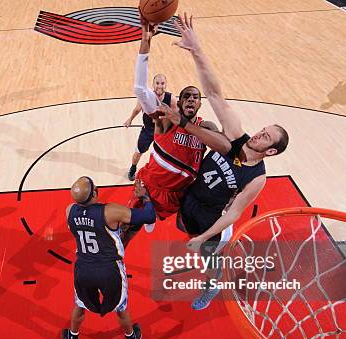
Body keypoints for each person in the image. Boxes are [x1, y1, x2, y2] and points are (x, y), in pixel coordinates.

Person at [162, 13, 289, 310]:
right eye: (263, 130)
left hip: (213, 220)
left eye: (266, 137)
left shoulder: (257, 177)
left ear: (271, 151)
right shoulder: (235, 136)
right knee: (183, 226)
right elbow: (215, 94)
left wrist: (206, 236)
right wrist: (197, 50)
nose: (259, 134)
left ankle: (212, 284)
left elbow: (234, 214)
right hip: (192, 200)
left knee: (210, 258)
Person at [122, 19, 231, 247]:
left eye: (195, 97)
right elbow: (140, 90)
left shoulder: (206, 127)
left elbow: (227, 147)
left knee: (191, 229)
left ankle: (211, 270)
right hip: (151, 186)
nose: (191, 99)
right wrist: (145, 43)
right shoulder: (164, 120)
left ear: (200, 104)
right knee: (130, 227)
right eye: (186, 96)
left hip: (181, 194)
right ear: (178, 102)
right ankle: (118, 256)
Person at [62, 176, 156, 339]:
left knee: (80, 304)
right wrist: (145, 197)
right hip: (109, 269)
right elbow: (149, 216)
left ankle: (72, 338)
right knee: (120, 308)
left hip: (84, 268)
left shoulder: (69, 211)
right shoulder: (110, 211)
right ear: (95, 194)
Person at [123, 73, 176, 181]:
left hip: (164, 131)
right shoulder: (146, 96)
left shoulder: (171, 98)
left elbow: (175, 115)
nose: (160, 86)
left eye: (162, 83)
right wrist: (130, 119)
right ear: (153, 84)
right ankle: (133, 168)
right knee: (138, 152)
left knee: (167, 155)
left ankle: (165, 172)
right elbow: (137, 109)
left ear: (166, 85)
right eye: (157, 83)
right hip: (148, 130)